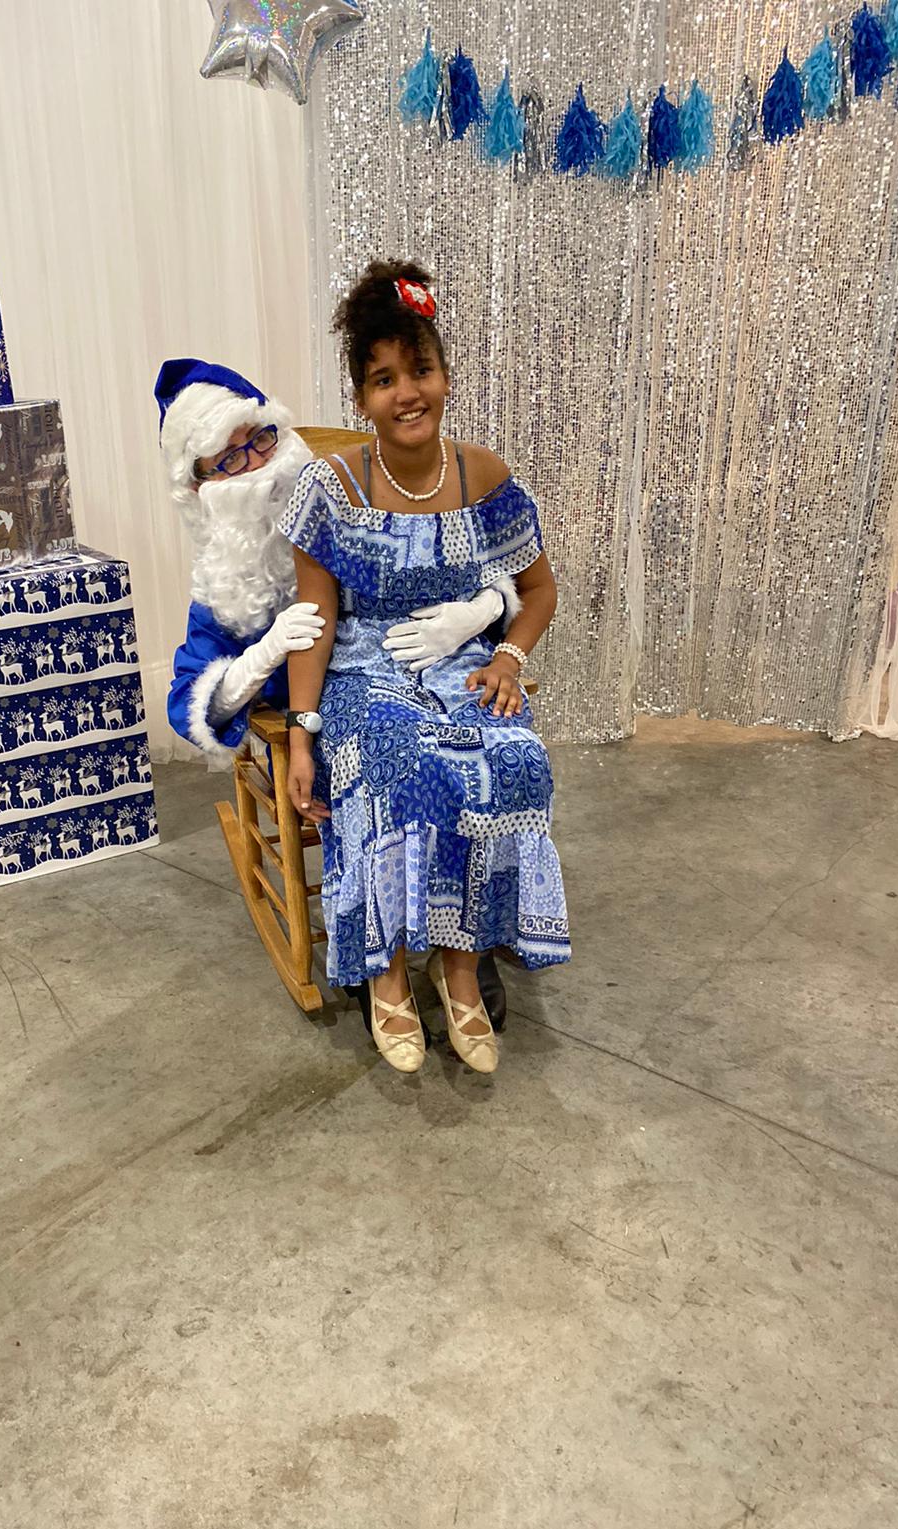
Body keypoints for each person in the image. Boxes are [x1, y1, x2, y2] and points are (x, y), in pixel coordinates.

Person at [156, 355, 520, 1031]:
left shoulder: (353, 491)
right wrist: (263, 656)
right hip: (317, 723)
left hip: (415, 677)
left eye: (261, 439)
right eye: (229, 459)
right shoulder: (225, 590)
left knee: (478, 750)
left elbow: (449, 557)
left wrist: (482, 609)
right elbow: (189, 703)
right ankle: (376, 951)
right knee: (376, 765)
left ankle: (460, 941)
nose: (257, 465)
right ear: (201, 486)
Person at [278, 261, 571, 1075]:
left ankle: (460, 967)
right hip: (363, 673)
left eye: (421, 371)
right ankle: (386, 974)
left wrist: (507, 653)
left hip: (461, 665)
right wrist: (301, 735)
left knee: (513, 759)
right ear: (361, 397)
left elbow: (539, 590)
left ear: (444, 376)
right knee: (397, 764)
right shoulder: (331, 487)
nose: (406, 394)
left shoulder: (485, 476)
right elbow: (313, 623)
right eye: (383, 380)